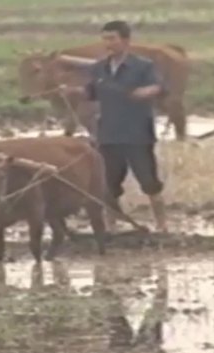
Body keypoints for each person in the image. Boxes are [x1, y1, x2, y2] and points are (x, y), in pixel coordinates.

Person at [56, 20, 168, 232]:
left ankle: (162, 224)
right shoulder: (100, 68)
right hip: (108, 133)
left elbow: (159, 86)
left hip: (137, 134)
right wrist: (73, 91)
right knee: (108, 185)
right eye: (105, 39)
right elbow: (92, 92)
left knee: (149, 181)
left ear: (125, 40)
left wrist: (146, 92)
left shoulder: (143, 66)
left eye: (112, 38)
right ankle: (111, 225)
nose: (107, 43)